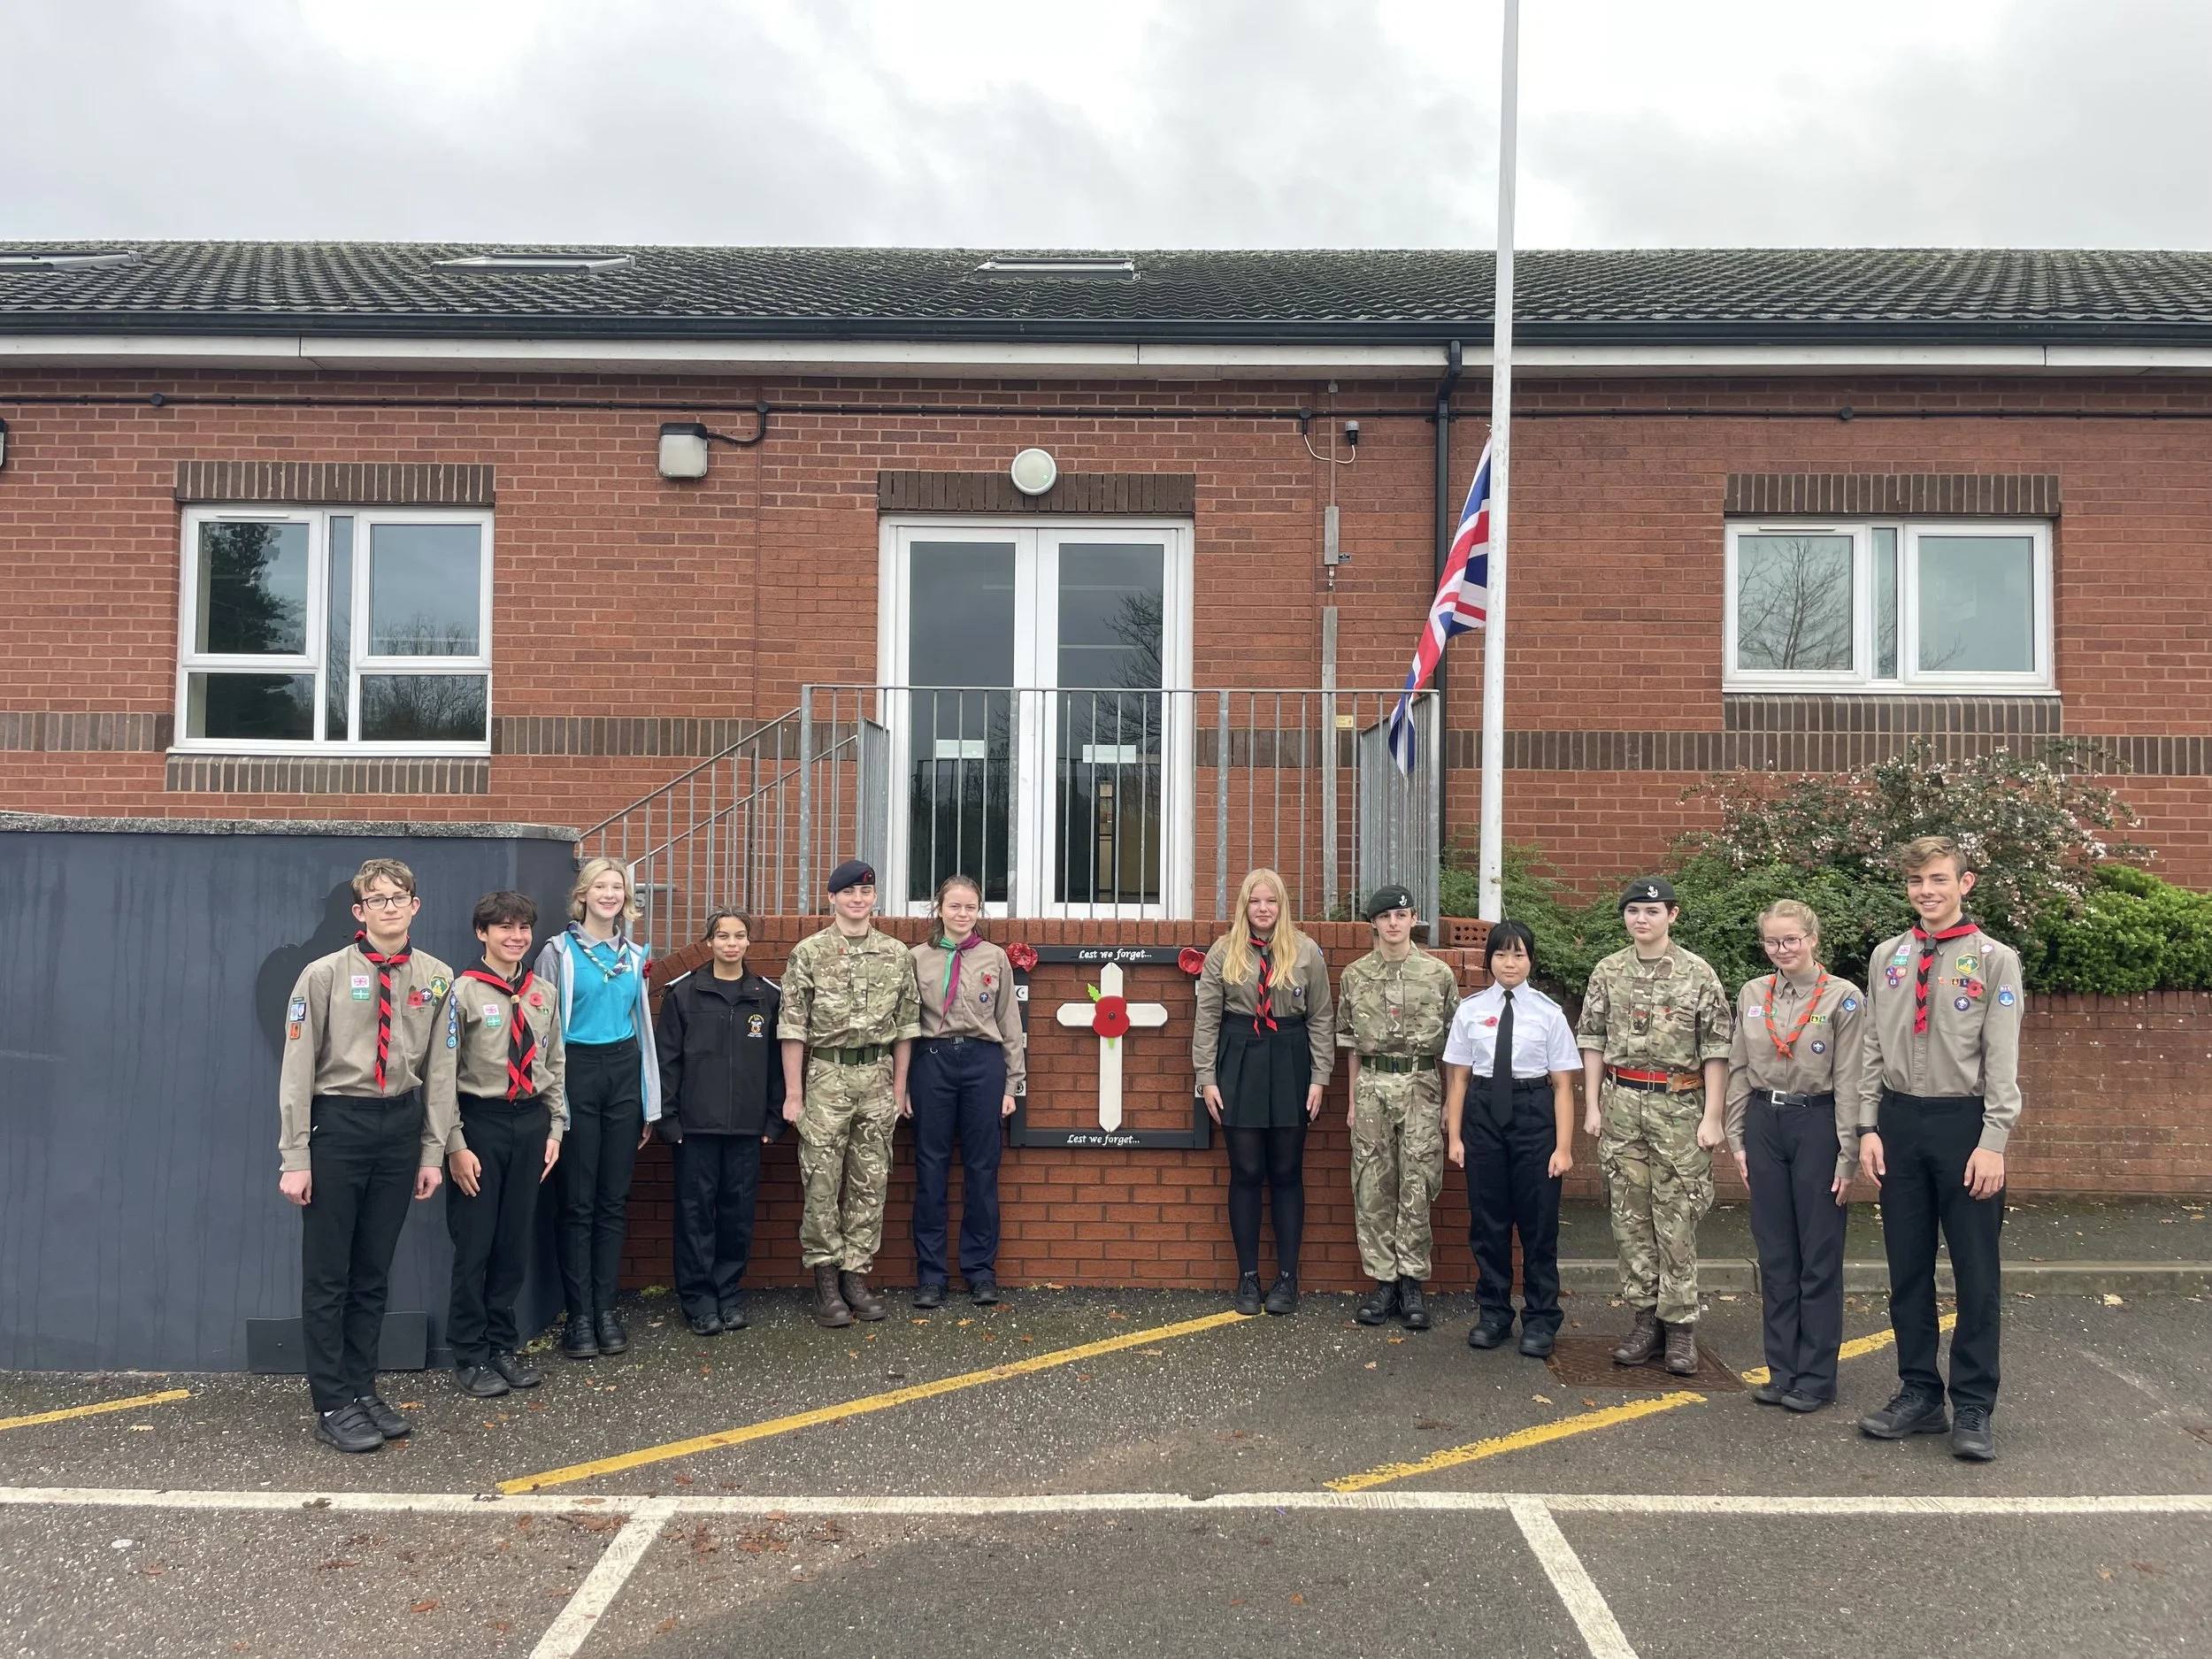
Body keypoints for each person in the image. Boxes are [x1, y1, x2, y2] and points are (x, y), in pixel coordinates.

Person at [1855, 835, 2024, 1463]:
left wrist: (1994, 1140)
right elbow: (1872, 1045)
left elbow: (2003, 1058)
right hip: (1900, 1122)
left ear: (1965, 883)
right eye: (1916, 882)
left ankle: (1974, 1403)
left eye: (1937, 879)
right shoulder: (1887, 956)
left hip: (1965, 1124)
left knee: (1977, 1276)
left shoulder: (1994, 959)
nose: (1926, 891)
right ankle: (1920, 1391)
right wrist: (1868, 1127)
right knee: (1907, 1269)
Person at [277, 857, 455, 1454]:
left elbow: (440, 1070)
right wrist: (295, 1153)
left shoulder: (435, 977)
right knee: (330, 1273)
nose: (388, 907)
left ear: (415, 906)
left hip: (400, 1127)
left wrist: (434, 1149)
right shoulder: (322, 975)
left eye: (397, 897)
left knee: (374, 1271)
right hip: (340, 1126)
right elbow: (297, 1070)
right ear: (359, 911)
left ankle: (361, 1386)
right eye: (375, 899)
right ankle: (331, 1399)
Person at [1577, 877, 1735, 1376]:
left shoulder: (1698, 973)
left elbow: (1716, 1049)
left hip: (1679, 1109)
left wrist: (1713, 1117)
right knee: (1629, 1219)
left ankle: (1681, 1327)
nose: (1641, 919)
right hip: (1622, 1103)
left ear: (1673, 914)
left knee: (1678, 1220)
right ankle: (1646, 1321)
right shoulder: (1608, 970)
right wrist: (1593, 1107)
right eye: (1632, 912)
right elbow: (1593, 1039)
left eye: (1651, 911)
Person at [1724, 899, 1864, 1413]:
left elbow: (1852, 1079)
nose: (1782, 950)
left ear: (1812, 939)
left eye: (1791, 940)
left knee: (1818, 1252)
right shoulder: (1753, 993)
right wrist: (1736, 1138)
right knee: (1776, 1251)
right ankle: (1782, 1370)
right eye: (1772, 942)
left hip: (1818, 1122)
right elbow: (1739, 1067)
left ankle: (1816, 1377)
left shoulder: (1843, 998)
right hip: (1765, 1122)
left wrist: (1848, 1155)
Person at [779, 859, 920, 1329]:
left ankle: (856, 1274)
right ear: (833, 898)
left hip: (877, 1077)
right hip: (825, 1078)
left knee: (870, 1180)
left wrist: (899, 1090)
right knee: (821, 1180)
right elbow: (793, 1028)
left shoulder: (896, 954)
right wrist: (793, 1095)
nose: (858, 900)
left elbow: (905, 1029)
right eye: (849, 893)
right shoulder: (809, 953)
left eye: (866, 893)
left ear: (874, 898)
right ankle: (824, 1278)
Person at [533, 856, 661, 1361]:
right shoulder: (556, 953)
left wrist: (650, 1101)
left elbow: (643, 1029)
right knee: (578, 1203)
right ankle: (578, 1316)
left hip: (622, 1073)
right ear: (583, 894)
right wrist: (554, 1104)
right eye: (600, 886)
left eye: (617, 886)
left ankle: (606, 1310)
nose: (609, 893)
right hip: (575, 1072)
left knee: (612, 1201)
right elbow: (546, 1031)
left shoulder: (632, 955)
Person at [1194, 867, 1335, 1317]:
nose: (1263, 909)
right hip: (1238, 1056)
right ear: (1243, 905)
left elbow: (1321, 1019)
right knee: (1246, 1171)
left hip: (1290, 1055)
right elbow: (1207, 1019)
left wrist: (1320, 1077)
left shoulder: (1306, 951)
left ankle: (1288, 1279)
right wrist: (1207, 1076)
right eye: (1255, 901)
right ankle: (1249, 1277)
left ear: (1282, 905)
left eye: (1270, 901)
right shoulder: (1224, 951)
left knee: (1288, 1171)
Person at [441, 890, 565, 1399]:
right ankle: (469, 1353)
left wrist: (555, 1129)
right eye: (504, 929)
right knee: (475, 1244)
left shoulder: (542, 993)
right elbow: (442, 1075)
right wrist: (454, 1143)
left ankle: (501, 1345)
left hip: (530, 1123)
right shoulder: (462, 992)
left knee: (513, 1243)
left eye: (523, 929)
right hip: (480, 1125)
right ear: (482, 934)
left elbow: (554, 1064)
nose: (516, 937)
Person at [1443, 919, 1579, 1356]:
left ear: (1530, 960)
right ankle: (1494, 1312)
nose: (1509, 962)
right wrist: (1456, 1136)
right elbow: (1459, 1079)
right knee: (1488, 1222)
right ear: (1489, 961)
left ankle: (1540, 1319)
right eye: (1501, 954)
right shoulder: (1469, 1010)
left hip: (1533, 1115)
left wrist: (1562, 1147)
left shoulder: (1548, 1013)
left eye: (1519, 954)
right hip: (1483, 1115)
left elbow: (1562, 1085)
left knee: (1538, 1225)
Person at [1334, 883, 1461, 1331]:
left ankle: (1411, 1282)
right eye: (1385, 916)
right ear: (1373, 922)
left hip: (1423, 1085)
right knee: (1372, 1185)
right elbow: (1350, 1046)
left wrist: (1449, 1103)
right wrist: (1351, 1102)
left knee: (1418, 1183)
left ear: (1413, 920)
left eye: (1401, 916)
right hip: (1371, 1085)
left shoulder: (1438, 974)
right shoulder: (1354, 976)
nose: (1393, 923)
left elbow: (1454, 1048)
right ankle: (1382, 1281)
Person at [655, 910, 783, 1337]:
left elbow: (777, 1066)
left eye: (740, 936)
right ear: (708, 942)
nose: (731, 943)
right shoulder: (685, 994)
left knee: (737, 1216)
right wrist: (668, 1120)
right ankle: (698, 1301)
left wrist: (773, 1117)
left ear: (749, 943)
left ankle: (728, 1296)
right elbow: (667, 1062)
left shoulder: (765, 996)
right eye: (722, 936)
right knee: (695, 1217)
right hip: (695, 1130)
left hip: (748, 1129)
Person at [904, 874, 1025, 1310]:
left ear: (979, 911)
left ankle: (980, 1272)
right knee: (930, 1169)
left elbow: (1010, 1022)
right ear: (939, 909)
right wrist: (902, 1085)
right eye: (954, 906)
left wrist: (1012, 1083)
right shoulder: (917, 958)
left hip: (982, 1064)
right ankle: (931, 1276)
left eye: (970, 907)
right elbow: (903, 1025)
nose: (962, 914)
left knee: (981, 1169)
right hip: (932, 1061)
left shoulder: (994, 957)